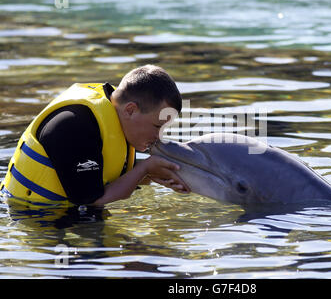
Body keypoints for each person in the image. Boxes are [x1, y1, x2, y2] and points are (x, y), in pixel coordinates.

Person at [0, 65, 190, 207]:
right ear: (131, 110)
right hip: (30, 218)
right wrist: (145, 168)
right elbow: (93, 200)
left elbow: (105, 174)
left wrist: (153, 174)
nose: (159, 136)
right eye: (157, 126)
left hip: (65, 213)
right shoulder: (75, 125)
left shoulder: (118, 117)